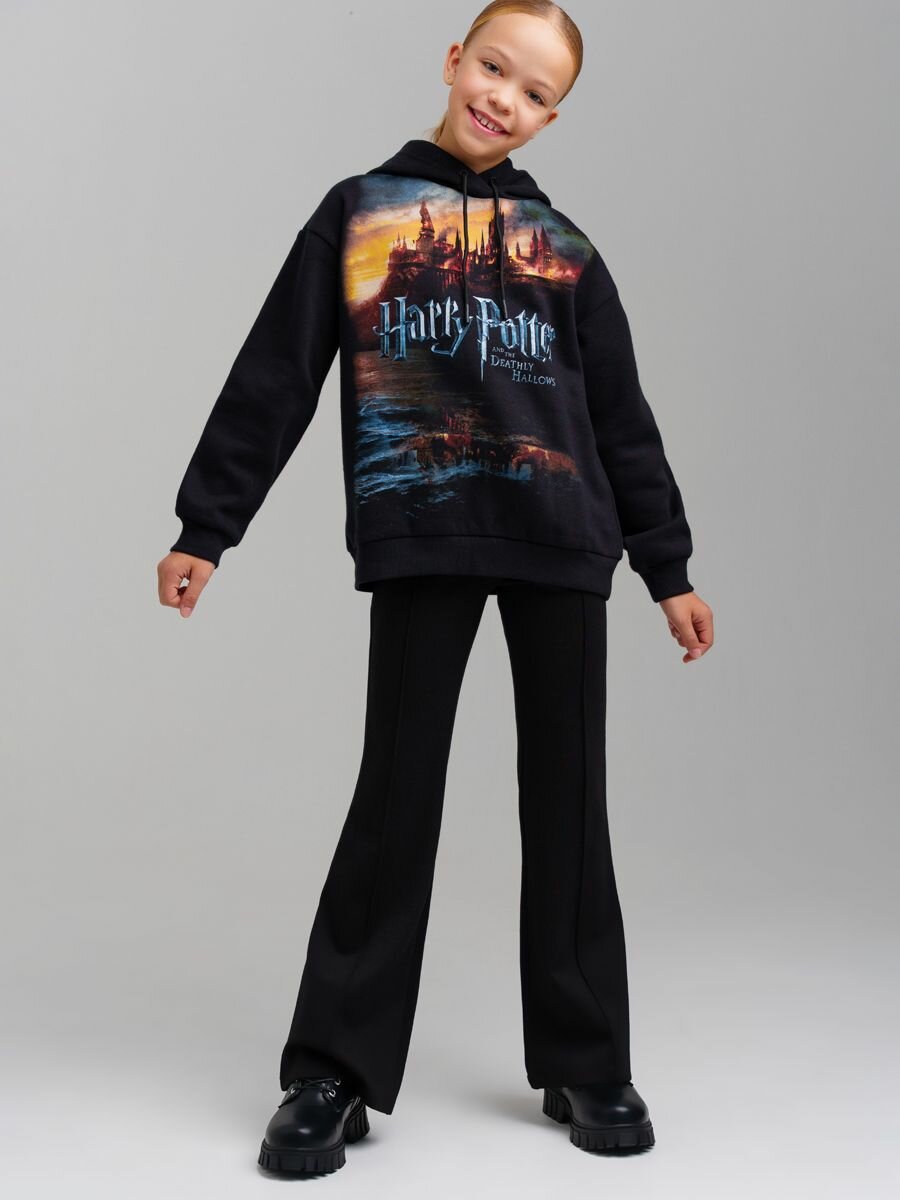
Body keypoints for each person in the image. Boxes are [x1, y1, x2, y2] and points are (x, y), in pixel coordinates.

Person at [157, 0, 714, 1175]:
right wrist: (211, 524)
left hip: (564, 541)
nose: (505, 97)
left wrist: (668, 567)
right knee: (395, 794)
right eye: (495, 66)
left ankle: (586, 1058)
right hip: (424, 527)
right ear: (455, 60)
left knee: (569, 803)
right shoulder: (359, 212)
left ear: (552, 118)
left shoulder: (567, 250)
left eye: (535, 91)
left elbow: (622, 418)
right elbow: (276, 373)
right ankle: (334, 1070)